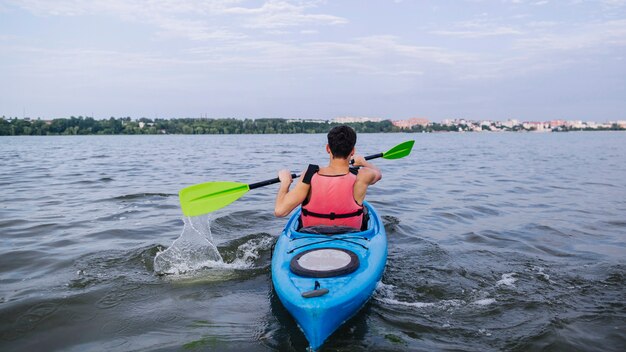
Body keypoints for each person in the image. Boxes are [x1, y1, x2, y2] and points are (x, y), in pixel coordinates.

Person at [274, 125, 382, 230]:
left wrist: (285, 182)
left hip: (311, 236)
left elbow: (280, 211)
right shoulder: (362, 176)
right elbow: (378, 174)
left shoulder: (309, 174)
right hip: (350, 237)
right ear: (353, 150)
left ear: (328, 148)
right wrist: (363, 162)